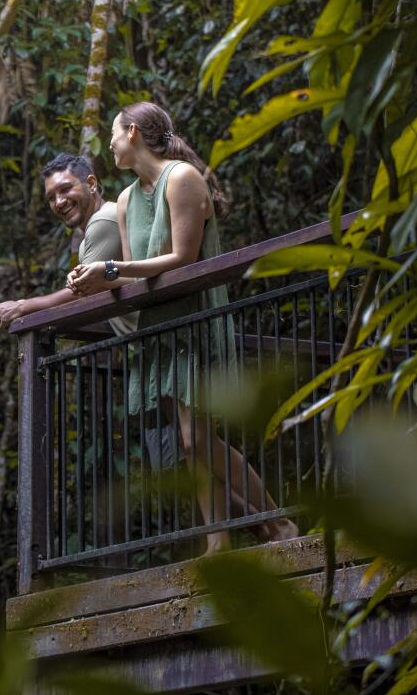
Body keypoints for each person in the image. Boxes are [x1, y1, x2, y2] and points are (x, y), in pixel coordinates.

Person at [67, 100, 298, 552]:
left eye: (113, 134)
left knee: (196, 440)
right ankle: (216, 541)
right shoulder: (127, 200)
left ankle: (280, 522)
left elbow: (182, 259)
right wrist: (94, 281)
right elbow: (136, 271)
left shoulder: (183, 178)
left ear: (132, 132)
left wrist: (109, 269)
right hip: (159, 328)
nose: (109, 145)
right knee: (190, 442)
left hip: (195, 318)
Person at [0, 153, 130, 331]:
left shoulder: (103, 220)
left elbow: (83, 291)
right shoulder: (94, 229)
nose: (59, 202)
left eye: (65, 189)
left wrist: (22, 307)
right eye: (51, 198)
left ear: (91, 184)